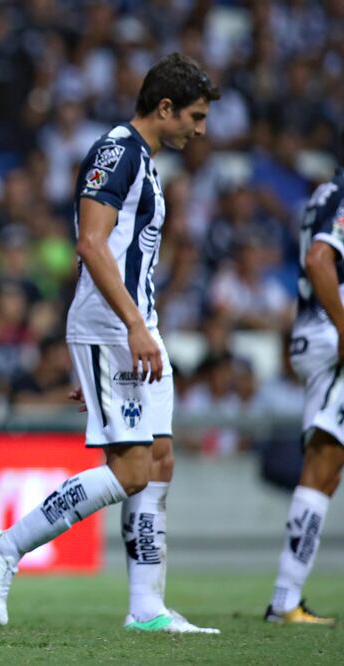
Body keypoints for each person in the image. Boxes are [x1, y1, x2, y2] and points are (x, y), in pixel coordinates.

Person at [0, 53, 221, 633]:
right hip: (115, 324)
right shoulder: (118, 152)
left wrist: (139, 326)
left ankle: (147, 608)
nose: (201, 130)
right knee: (132, 470)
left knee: (158, 462)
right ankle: (4, 547)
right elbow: (90, 243)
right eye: (196, 116)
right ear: (165, 108)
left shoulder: (146, 162)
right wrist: (131, 327)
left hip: (134, 323)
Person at [262, 143, 344, 626]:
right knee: (323, 463)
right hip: (332, 341)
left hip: (316, 335)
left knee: (327, 467)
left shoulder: (324, 194)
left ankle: (286, 597)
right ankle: (285, 599)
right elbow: (319, 261)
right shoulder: (341, 196)